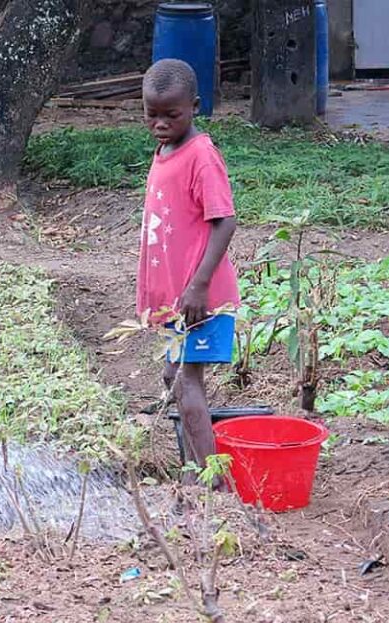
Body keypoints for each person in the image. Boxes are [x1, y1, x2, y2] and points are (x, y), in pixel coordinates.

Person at [136, 58, 240, 475]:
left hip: (201, 298)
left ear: (195, 106)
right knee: (171, 378)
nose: (160, 124)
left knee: (185, 381)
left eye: (171, 115)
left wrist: (198, 286)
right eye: (152, 115)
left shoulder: (201, 155)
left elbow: (225, 220)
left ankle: (212, 482)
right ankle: (194, 465)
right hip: (178, 301)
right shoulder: (166, 150)